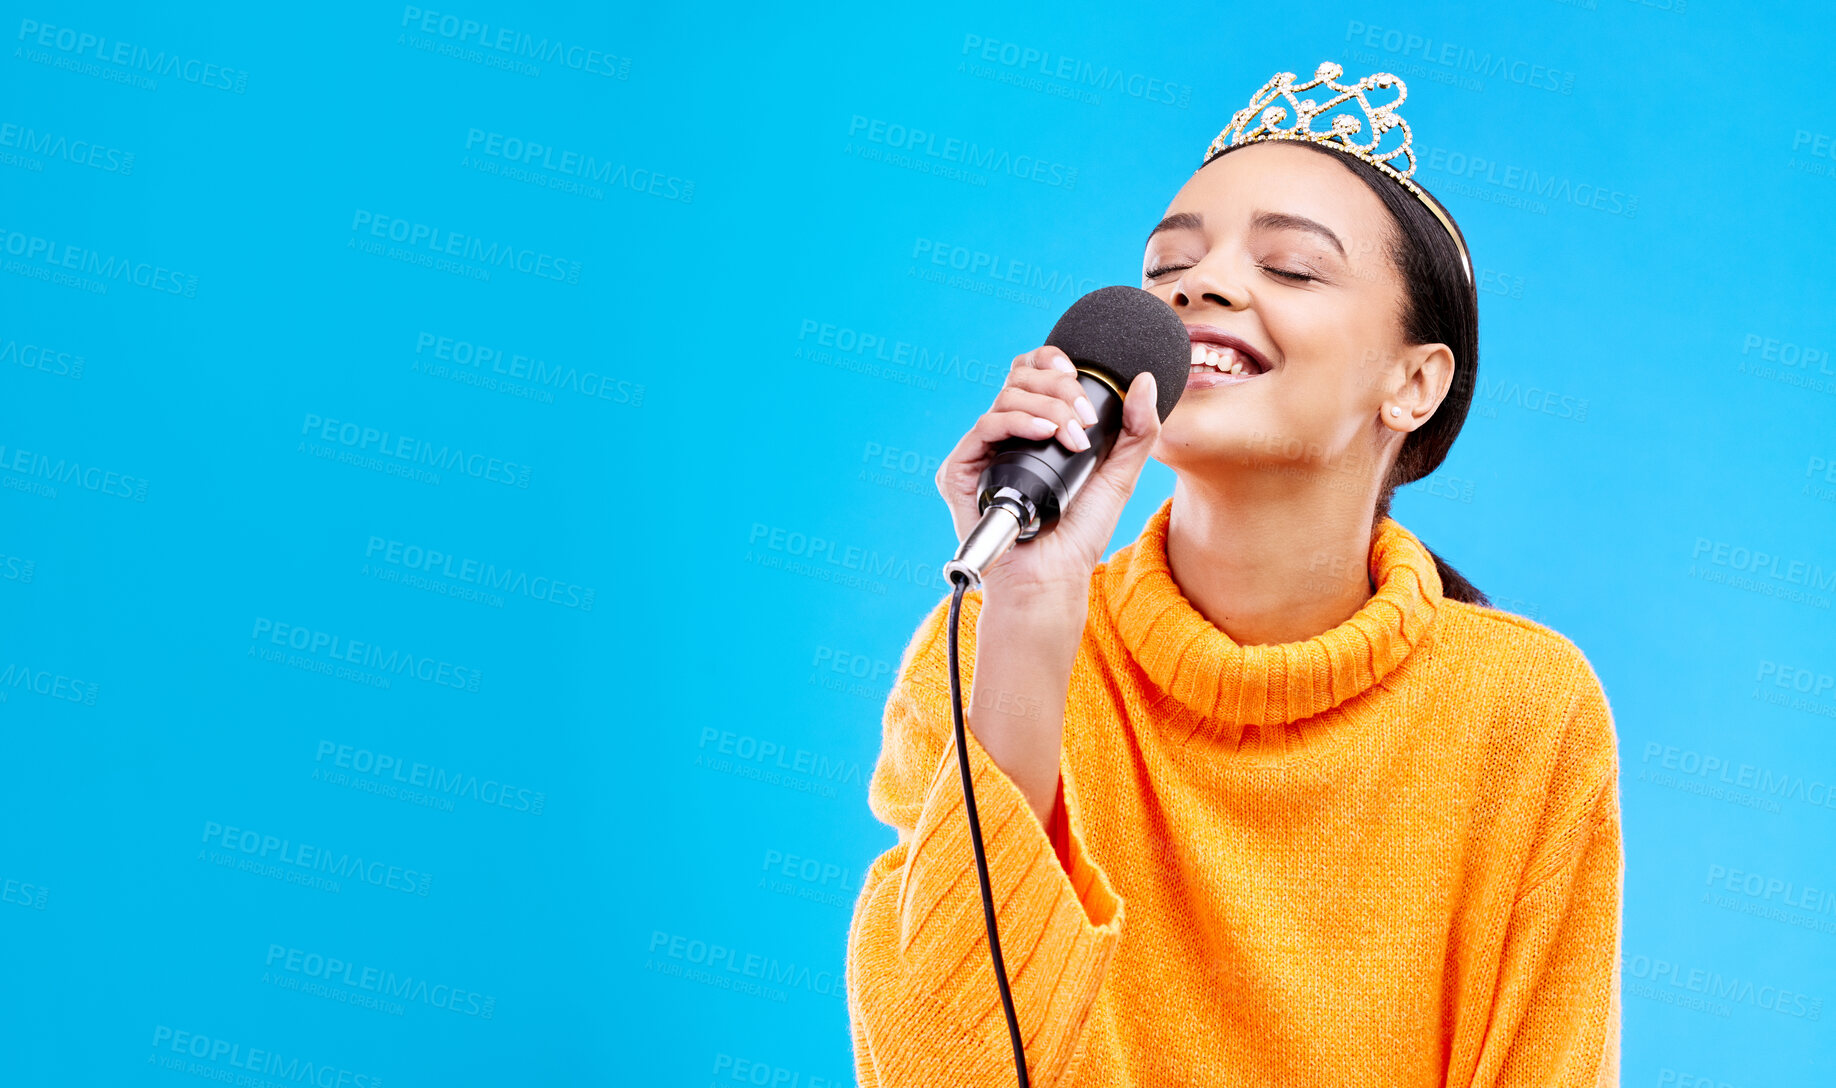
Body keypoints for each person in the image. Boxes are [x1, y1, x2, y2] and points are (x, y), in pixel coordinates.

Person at [844, 63, 1623, 1087]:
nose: (1196, 286)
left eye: (1292, 268)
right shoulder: (980, 651)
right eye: (1169, 265)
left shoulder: (1525, 707)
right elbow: (939, 1067)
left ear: (1414, 382)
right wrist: (1029, 615)